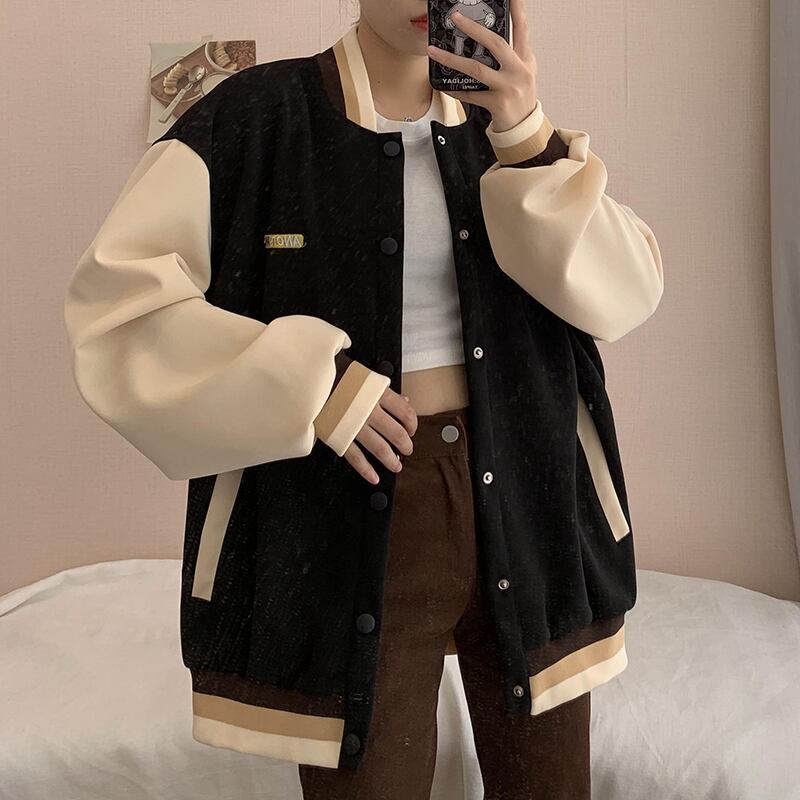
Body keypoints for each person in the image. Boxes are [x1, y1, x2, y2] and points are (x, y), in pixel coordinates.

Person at [63, 0, 663, 797]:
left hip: (531, 504)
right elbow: (117, 314)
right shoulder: (252, 119)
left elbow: (627, 293)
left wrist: (526, 135)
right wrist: (314, 387)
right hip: (343, 510)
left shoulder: (510, 131)